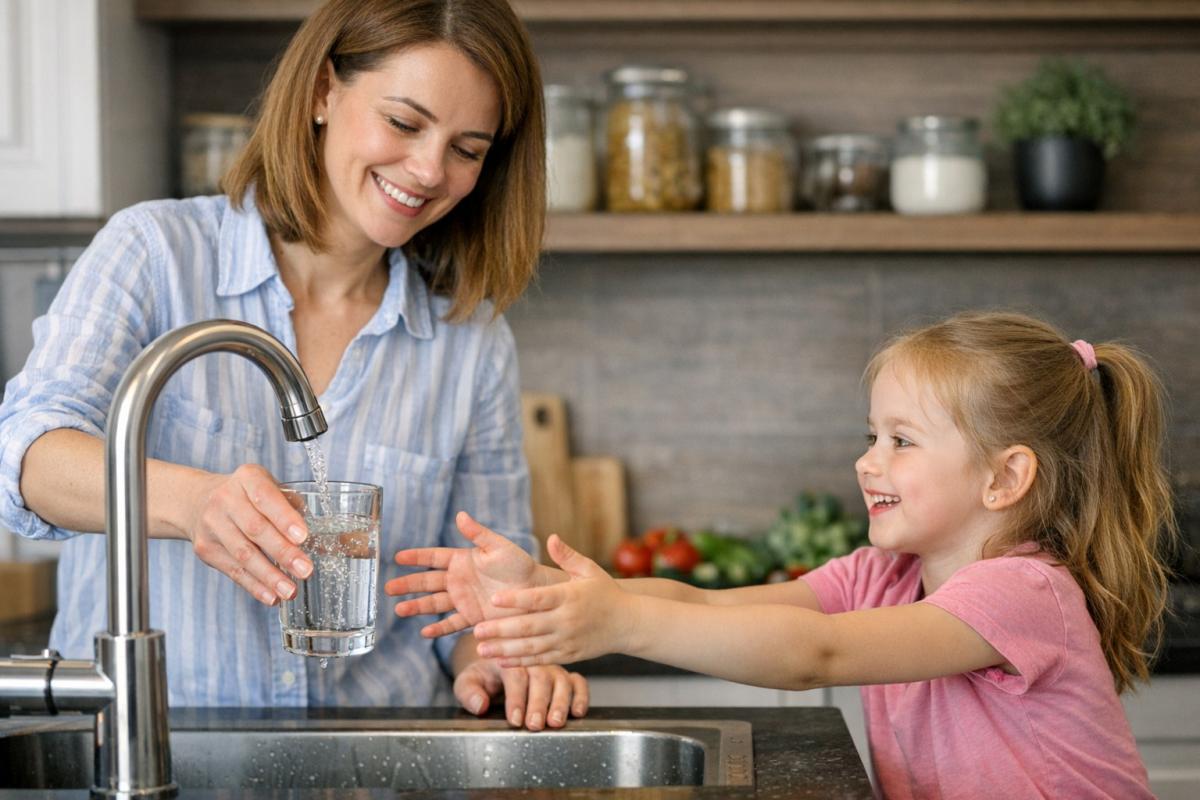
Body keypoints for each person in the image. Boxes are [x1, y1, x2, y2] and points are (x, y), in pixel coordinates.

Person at [0, 0, 588, 730]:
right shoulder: (156, 253)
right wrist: (191, 503)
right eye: (405, 123)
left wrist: (494, 656)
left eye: (467, 149)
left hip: (378, 762)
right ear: (321, 92)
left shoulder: (469, 341)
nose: (429, 169)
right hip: (155, 746)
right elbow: (25, 459)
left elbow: (479, 591)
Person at [388, 310, 1176, 797]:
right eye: (870, 437)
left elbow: (816, 653)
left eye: (902, 441)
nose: (869, 462)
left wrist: (618, 623)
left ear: (1006, 477)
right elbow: (709, 606)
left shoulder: (1023, 591)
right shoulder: (883, 576)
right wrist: (552, 592)